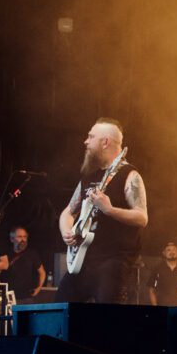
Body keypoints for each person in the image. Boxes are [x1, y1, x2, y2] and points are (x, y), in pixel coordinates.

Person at [57, 118, 148, 303]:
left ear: (105, 142)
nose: (86, 141)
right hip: (84, 259)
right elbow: (68, 211)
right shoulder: (88, 178)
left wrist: (109, 210)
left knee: (106, 313)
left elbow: (142, 217)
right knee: (60, 305)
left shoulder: (129, 175)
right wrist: (67, 231)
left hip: (114, 260)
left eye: (91, 137)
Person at [0, 227, 46, 301]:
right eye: (19, 237)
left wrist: (39, 288)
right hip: (9, 298)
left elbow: (42, 272)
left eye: (25, 237)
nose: (23, 239)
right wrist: (2, 291)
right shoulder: (5, 255)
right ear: (12, 239)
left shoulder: (32, 254)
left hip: (27, 297)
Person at [147, 242, 177, 306]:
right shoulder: (157, 270)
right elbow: (151, 291)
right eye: (168, 250)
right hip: (163, 306)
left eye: (174, 250)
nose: (172, 252)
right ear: (164, 253)